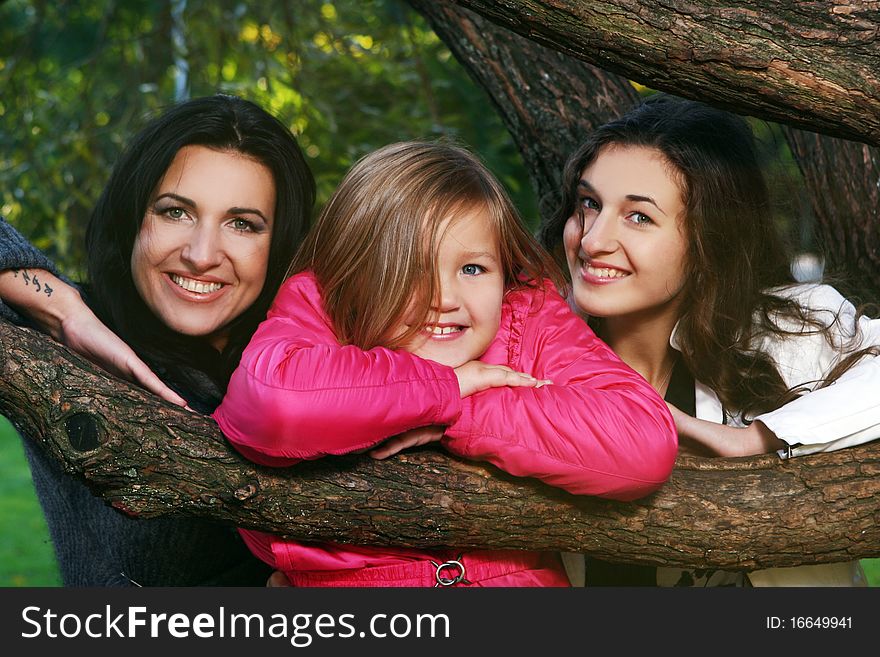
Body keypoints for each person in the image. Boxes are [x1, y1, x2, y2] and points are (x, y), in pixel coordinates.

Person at [213, 140, 678, 587]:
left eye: (473, 269)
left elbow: (643, 443)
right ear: (360, 273)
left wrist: (462, 410)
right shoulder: (323, 302)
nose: (446, 299)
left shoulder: (525, 315)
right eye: (412, 268)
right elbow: (277, 405)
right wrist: (445, 389)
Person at [539, 94, 880, 587]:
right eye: (589, 204)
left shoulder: (792, 328)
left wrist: (757, 436)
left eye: (639, 217)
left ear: (707, 240)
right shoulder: (527, 340)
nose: (592, 240)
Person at [0, 93, 316, 585]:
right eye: (176, 212)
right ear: (133, 218)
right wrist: (63, 311)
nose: (201, 254)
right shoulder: (66, 346)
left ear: (278, 247)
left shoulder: (313, 366)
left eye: (242, 224)